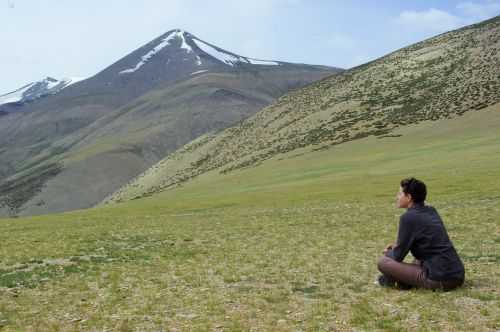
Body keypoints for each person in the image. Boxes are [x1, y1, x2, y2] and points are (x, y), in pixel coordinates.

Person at [377, 178, 465, 291]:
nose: (397, 197)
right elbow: (426, 242)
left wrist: (388, 252)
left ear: (409, 197)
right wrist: (396, 246)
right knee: (417, 260)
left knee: (383, 262)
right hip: (457, 275)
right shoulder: (431, 210)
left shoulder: (408, 218)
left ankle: (398, 281)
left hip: (439, 279)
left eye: (400, 193)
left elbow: (398, 256)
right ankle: (400, 281)